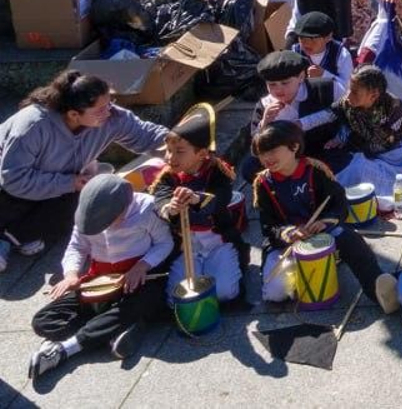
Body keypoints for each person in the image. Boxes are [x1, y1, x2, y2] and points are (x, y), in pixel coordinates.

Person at [0, 71, 168, 269]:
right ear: (73, 114)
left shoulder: (109, 117)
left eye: (110, 102)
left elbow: (146, 135)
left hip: (53, 182)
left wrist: (180, 144)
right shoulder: (32, 126)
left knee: (87, 207)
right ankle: (9, 235)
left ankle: (15, 235)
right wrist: (69, 183)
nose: (109, 112)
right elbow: (13, 179)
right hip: (8, 187)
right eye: (100, 109)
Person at [26, 173, 172, 384]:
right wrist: (71, 274)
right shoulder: (86, 214)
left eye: (110, 220)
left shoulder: (147, 208)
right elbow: (76, 246)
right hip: (100, 279)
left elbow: (164, 243)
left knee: (145, 300)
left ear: (126, 203)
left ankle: (67, 349)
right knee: (42, 322)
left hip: (138, 279)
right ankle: (116, 328)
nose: (105, 227)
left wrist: (142, 266)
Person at [251, 120, 395, 310]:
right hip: (286, 239)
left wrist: (325, 221)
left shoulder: (315, 170)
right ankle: (312, 266)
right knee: (275, 294)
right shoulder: (263, 183)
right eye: (262, 154)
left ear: (294, 147)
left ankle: (376, 287)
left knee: (352, 241)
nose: (266, 158)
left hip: (321, 230)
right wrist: (287, 233)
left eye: (272, 151)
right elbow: (267, 225)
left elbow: (339, 203)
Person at [150, 105, 245, 306]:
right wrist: (171, 208)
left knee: (224, 292)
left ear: (202, 153)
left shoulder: (217, 172)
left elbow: (221, 199)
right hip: (186, 247)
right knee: (178, 299)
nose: (170, 158)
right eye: (168, 151)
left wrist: (195, 198)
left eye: (179, 151)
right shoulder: (167, 178)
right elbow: (161, 201)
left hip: (218, 243)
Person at [331, 66, 402, 213]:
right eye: (349, 90)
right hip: (373, 156)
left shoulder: (391, 105)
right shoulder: (347, 105)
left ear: (373, 95)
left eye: (355, 92)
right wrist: (299, 124)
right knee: (356, 168)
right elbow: (326, 116)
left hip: (401, 151)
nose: (348, 95)